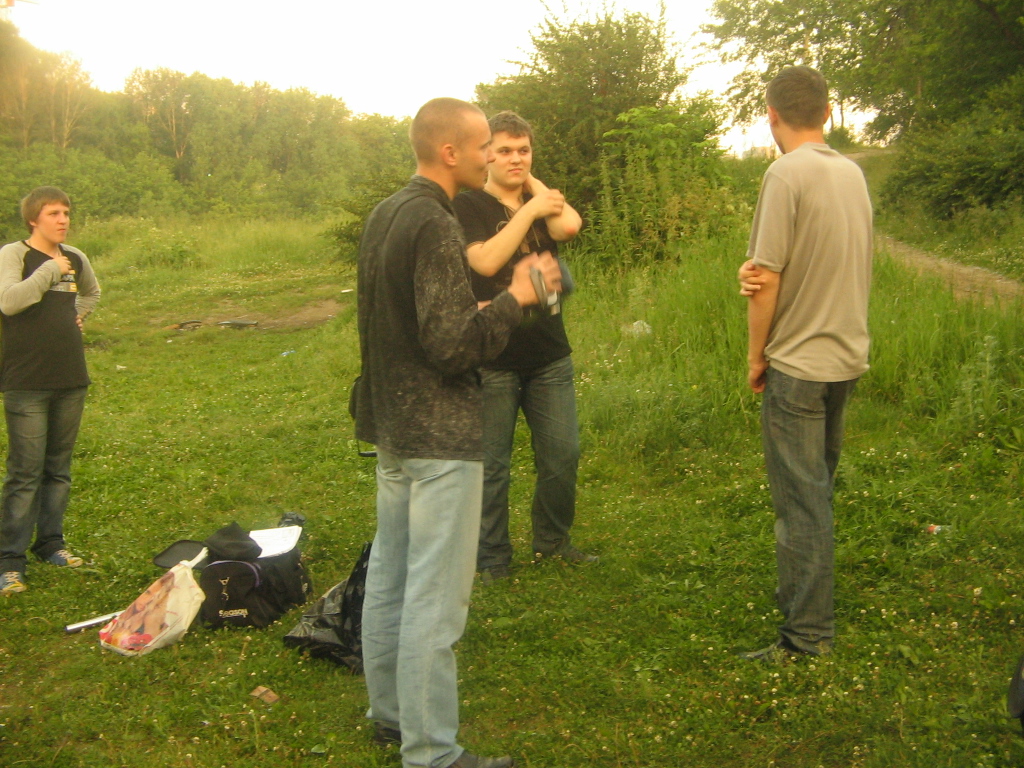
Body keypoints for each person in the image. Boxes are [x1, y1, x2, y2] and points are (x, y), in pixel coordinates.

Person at [353, 98, 561, 768]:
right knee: (434, 599)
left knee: (391, 575)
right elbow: (451, 346)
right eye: (481, 147)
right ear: (450, 152)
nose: (489, 156)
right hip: (439, 434)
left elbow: (406, 319)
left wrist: (480, 305)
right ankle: (432, 753)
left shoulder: (387, 213)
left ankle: (390, 716)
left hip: (391, 425)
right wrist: (516, 299)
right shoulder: (438, 223)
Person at [738, 66, 872, 659]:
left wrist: (756, 356)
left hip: (797, 365)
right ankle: (801, 594)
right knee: (817, 490)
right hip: (846, 357)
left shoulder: (784, 173)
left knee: (801, 502)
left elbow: (765, 277)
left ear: (772, 115)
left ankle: (807, 635)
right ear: (827, 111)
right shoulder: (852, 173)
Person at [452, 111, 594, 585]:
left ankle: (552, 541)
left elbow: (568, 227)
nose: (515, 158)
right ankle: (492, 556)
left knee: (562, 455)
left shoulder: (539, 199)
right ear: (486, 154)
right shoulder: (469, 205)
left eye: (524, 150)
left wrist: (532, 188)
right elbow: (485, 260)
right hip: (493, 355)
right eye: (505, 150)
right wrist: (528, 212)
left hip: (549, 353)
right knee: (492, 466)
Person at [0, 186, 101, 597]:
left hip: (70, 378)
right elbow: (9, 302)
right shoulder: (14, 255)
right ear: (33, 219)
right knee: (25, 472)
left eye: (66, 212)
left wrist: (79, 314)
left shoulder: (76, 257)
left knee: (58, 469)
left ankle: (51, 544)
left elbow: (91, 292)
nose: (63, 220)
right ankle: (9, 562)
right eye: (53, 213)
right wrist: (48, 271)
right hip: (26, 380)